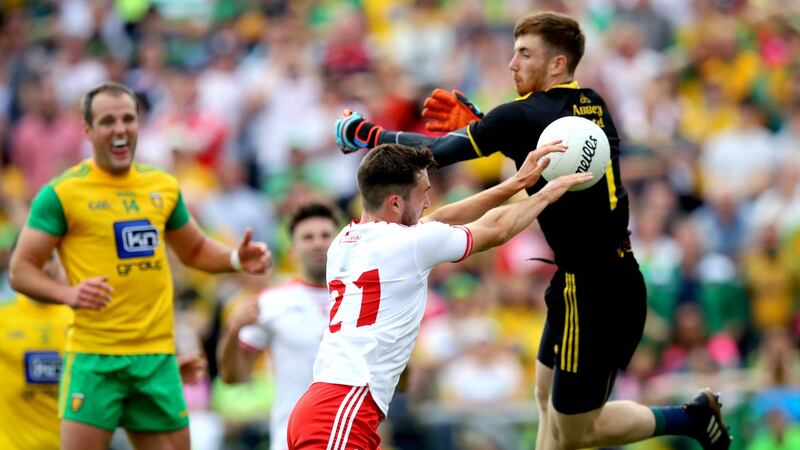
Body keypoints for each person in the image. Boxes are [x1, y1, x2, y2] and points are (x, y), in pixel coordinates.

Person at [333, 11, 731, 450]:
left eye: (524, 53)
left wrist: (368, 133)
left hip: (594, 290)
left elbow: (435, 152)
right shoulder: (593, 103)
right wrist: (488, 126)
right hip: (593, 276)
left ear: (558, 63)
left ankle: (690, 417)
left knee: (576, 431)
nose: (512, 64)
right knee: (544, 399)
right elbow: (542, 139)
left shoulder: (523, 116)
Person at [8, 81, 271, 450]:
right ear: (88, 130)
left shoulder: (162, 186)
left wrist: (234, 258)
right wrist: (68, 294)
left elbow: (194, 249)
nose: (120, 129)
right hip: (95, 356)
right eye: (107, 121)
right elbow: (21, 270)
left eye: (128, 119)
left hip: (155, 357)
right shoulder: (61, 194)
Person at [287, 142, 590, 449]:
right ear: (395, 203)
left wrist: (515, 184)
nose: (429, 202)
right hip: (345, 406)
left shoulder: (344, 241)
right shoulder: (410, 243)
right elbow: (497, 229)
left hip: (328, 403)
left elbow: (442, 218)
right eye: (423, 192)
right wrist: (547, 194)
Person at [218, 201, 341, 450]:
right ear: (292, 251)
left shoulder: (362, 299)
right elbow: (233, 377)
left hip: (352, 439)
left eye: (326, 235)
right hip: (292, 441)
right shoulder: (272, 302)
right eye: (308, 237)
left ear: (340, 244)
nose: (318, 243)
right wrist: (233, 330)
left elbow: (399, 380)